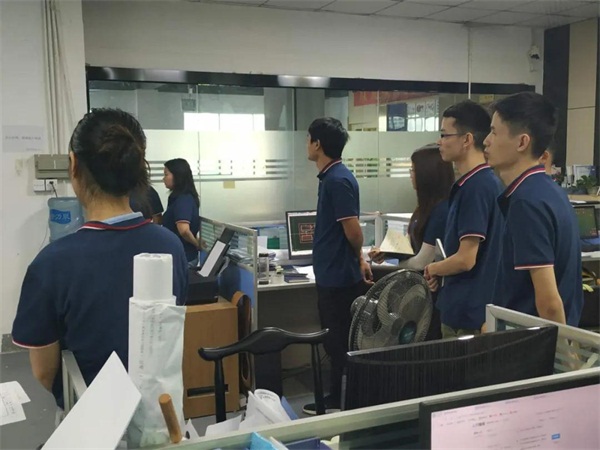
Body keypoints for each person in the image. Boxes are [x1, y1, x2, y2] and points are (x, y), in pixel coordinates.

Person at [11, 108, 188, 413]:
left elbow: (44, 372)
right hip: (161, 416)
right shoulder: (170, 246)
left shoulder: (51, 263)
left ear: (73, 165)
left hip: (89, 417)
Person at [484, 92, 583, 326]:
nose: (486, 140)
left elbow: (549, 303)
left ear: (522, 142)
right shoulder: (549, 190)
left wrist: (563, 348)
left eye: (494, 132)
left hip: (531, 341)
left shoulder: (526, 202)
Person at [302, 117, 373, 415]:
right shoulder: (331, 177)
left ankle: (342, 402)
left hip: (338, 279)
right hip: (333, 273)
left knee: (338, 343)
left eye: (309, 139)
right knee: (335, 342)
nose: (306, 145)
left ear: (318, 144)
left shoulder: (337, 180)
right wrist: (360, 258)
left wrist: (360, 257)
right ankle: (339, 398)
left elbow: (353, 231)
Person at [424, 100, 503, 338]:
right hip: (474, 306)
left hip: (468, 313)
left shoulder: (475, 187)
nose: (440, 142)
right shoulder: (486, 181)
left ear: (467, 139)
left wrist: (433, 268)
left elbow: (466, 259)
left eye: (444, 135)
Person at [369, 144, 455, 271]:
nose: (410, 175)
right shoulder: (426, 206)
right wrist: (387, 254)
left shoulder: (441, 211)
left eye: (413, 170)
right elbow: (410, 247)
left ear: (427, 174)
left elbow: (421, 263)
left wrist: (390, 265)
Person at [162, 158, 201, 267]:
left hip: (184, 258)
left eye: (166, 174)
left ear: (177, 175)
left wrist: (197, 244)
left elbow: (184, 230)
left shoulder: (183, 199)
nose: (163, 179)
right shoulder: (178, 197)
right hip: (180, 255)